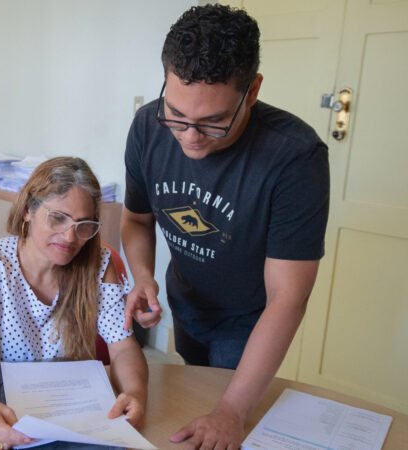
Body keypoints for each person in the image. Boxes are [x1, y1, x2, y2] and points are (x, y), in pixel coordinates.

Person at [121, 4, 329, 449]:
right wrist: (142, 277)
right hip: (187, 298)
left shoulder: (295, 157)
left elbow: (289, 296)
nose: (190, 136)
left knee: (229, 422)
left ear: (251, 91)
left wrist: (232, 411)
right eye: (176, 114)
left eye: (214, 121)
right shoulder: (147, 127)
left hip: (250, 322)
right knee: (187, 403)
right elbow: (137, 219)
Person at [0, 157, 149, 450]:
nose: (70, 237)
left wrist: (136, 392)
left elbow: (124, 347)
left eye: (83, 225)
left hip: (67, 404)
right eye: (58, 218)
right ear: (28, 210)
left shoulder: (99, 264)